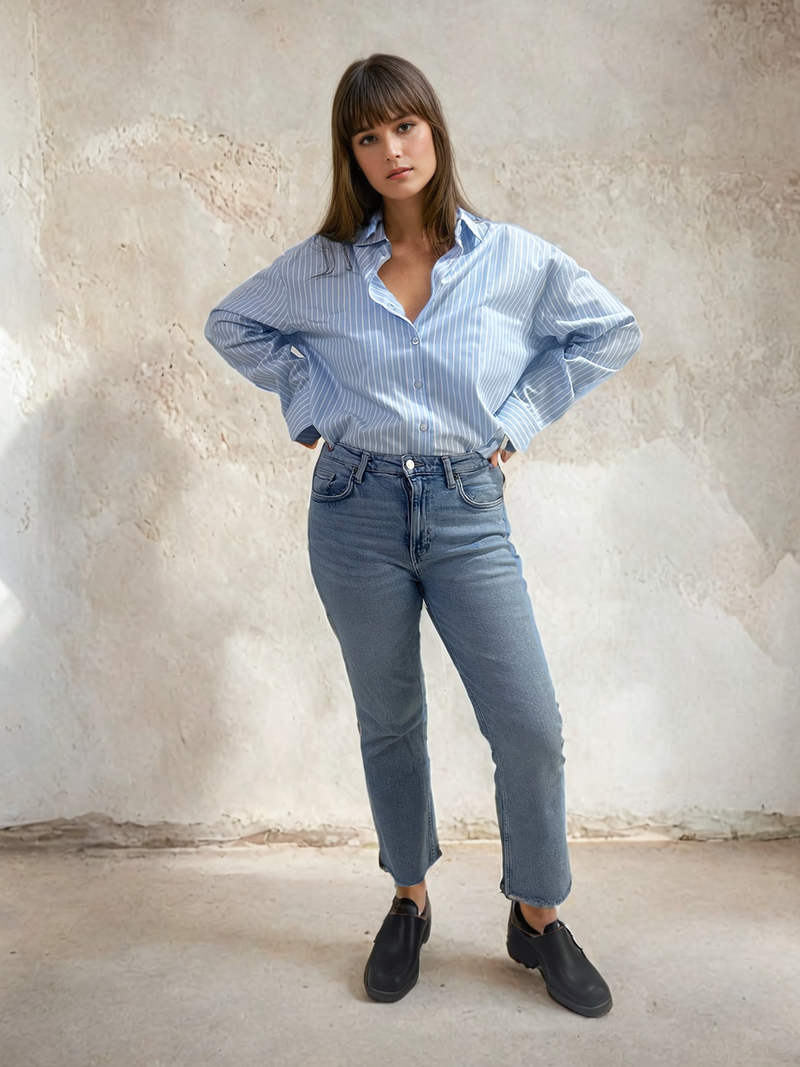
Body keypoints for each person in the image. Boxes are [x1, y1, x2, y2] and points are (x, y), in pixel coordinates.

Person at [204, 53, 641, 1017]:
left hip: (464, 508)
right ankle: (408, 896)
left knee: (530, 724)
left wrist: (518, 422)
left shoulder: (513, 259)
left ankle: (536, 915)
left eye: (403, 126)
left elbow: (609, 330)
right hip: (352, 510)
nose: (389, 149)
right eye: (367, 136)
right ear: (350, 155)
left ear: (433, 133)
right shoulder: (321, 267)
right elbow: (232, 324)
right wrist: (311, 400)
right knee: (389, 719)